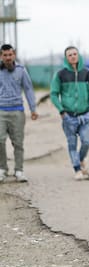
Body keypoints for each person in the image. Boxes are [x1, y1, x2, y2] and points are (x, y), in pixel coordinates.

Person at [50, 46, 89, 181]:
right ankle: (77, 169)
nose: (73, 57)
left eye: (75, 54)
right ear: (66, 58)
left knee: (86, 142)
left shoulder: (88, 73)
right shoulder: (60, 74)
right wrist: (62, 111)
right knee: (72, 145)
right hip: (68, 116)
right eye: (69, 55)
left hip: (85, 115)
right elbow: (53, 94)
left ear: (78, 55)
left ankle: (80, 161)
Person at [0, 44, 38, 183]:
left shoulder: (21, 70)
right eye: (5, 55)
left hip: (17, 111)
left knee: (18, 143)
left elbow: (28, 89)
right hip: (1, 111)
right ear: (1, 56)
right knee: (0, 140)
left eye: (10, 55)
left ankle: (19, 170)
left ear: (14, 55)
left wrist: (33, 109)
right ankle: (2, 169)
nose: (8, 58)